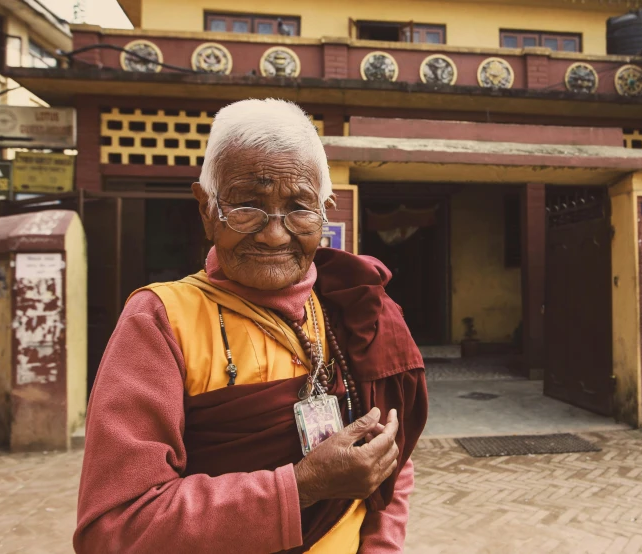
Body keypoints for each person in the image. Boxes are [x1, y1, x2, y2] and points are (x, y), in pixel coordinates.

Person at [74, 98, 428, 554]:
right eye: (246, 205)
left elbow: (392, 460)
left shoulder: (352, 305)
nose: (274, 234)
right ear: (206, 209)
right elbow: (115, 528)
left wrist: (380, 546)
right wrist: (301, 486)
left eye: (299, 207)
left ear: (325, 212)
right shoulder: (161, 320)